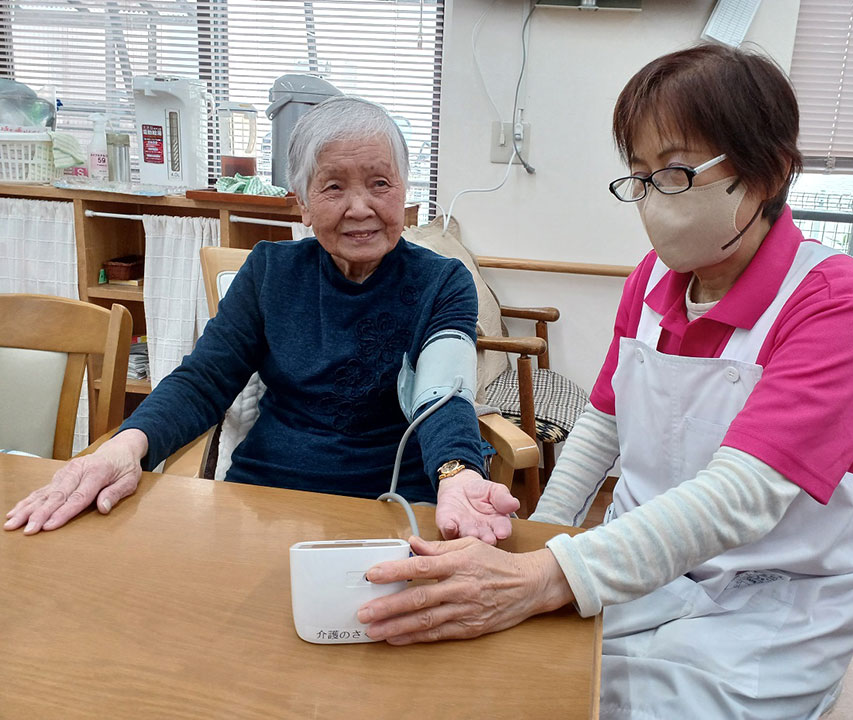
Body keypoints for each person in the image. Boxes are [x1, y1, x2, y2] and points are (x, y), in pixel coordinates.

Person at [354, 45, 853, 720]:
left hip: (768, 607)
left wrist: (542, 577)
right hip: (640, 568)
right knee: (504, 681)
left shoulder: (836, 301)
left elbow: (744, 496)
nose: (650, 199)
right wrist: (546, 534)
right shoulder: (652, 281)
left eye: (674, 172)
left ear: (770, 172)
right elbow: (603, 423)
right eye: (639, 176)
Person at [4, 96, 519, 544]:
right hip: (265, 497)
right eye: (333, 187)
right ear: (302, 205)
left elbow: (444, 393)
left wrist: (456, 473)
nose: (360, 207)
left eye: (380, 183)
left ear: (404, 193)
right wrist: (125, 447)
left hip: (392, 502)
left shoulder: (442, 280)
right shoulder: (270, 271)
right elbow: (205, 379)